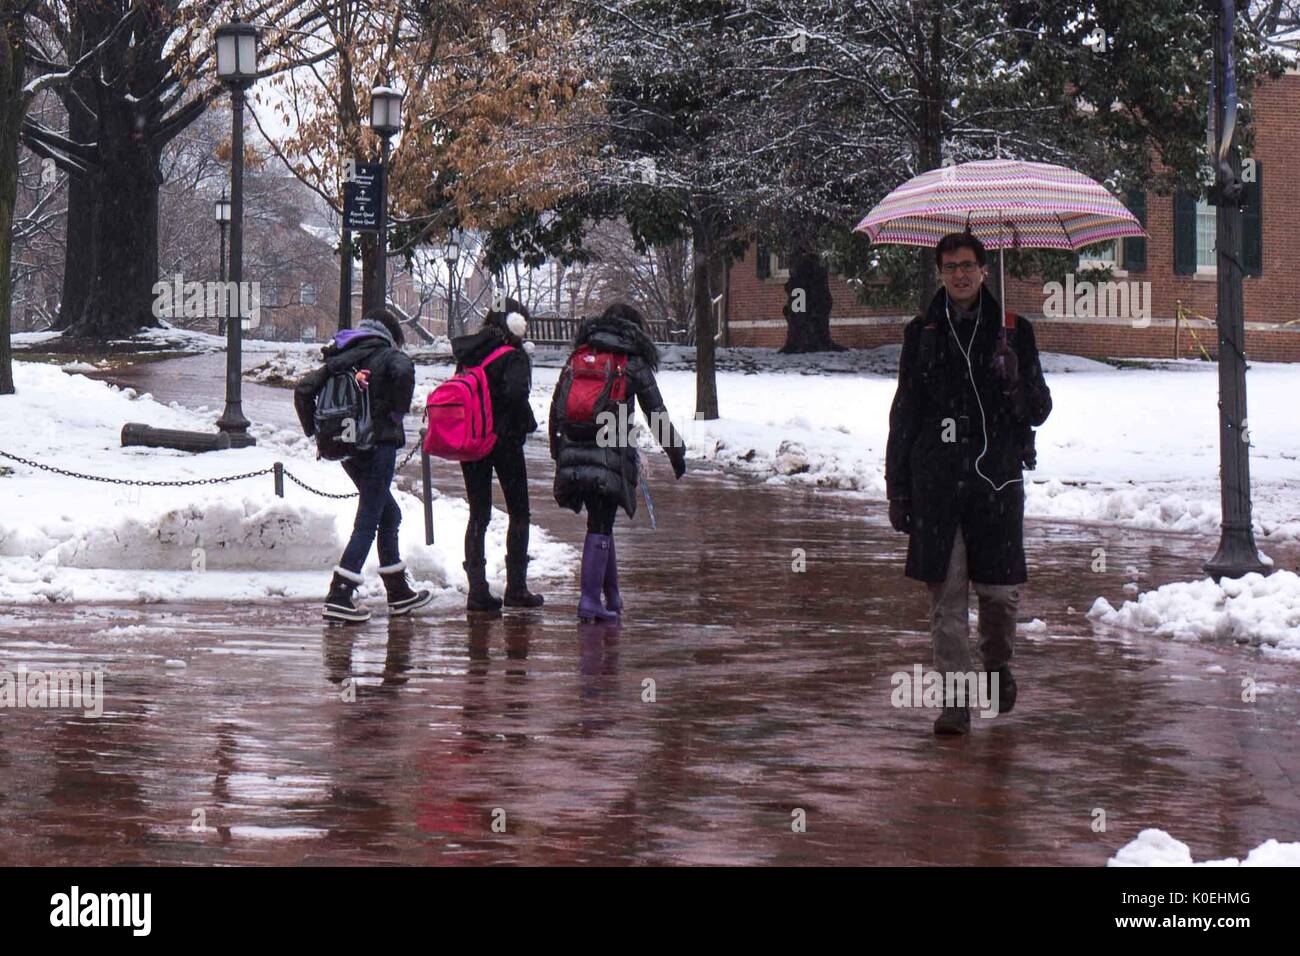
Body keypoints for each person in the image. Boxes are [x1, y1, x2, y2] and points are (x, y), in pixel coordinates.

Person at [885, 232, 1052, 735]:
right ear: (940, 273)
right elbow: (904, 416)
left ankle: (997, 665)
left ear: (984, 270)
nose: (960, 274)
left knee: (1000, 597)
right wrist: (899, 488)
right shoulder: (922, 333)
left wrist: (1016, 379)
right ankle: (955, 700)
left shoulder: (1014, 331)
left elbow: (1040, 410)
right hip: (937, 486)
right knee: (947, 599)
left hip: (996, 483)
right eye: (950, 266)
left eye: (969, 265)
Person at [550, 303, 687, 622]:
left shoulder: (579, 356)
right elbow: (656, 415)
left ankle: (610, 596)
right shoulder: (631, 361)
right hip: (609, 453)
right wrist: (676, 454)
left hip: (574, 449)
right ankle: (588, 600)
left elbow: (557, 407)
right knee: (600, 523)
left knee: (600, 522)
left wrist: (559, 452)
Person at [295, 307, 433, 623]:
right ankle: (340, 594)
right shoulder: (387, 354)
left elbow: (303, 390)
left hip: (346, 449)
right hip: (378, 447)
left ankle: (398, 593)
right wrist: (396, 415)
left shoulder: (342, 356)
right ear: (389, 334)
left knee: (389, 514)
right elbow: (404, 373)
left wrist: (314, 430)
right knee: (369, 518)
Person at [451, 298, 544, 612]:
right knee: (519, 513)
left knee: (478, 513)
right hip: (505, 442)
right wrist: (524, 421)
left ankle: (477, 589)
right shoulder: (513, 354)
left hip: (472, 440)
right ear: (515, 323)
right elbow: (516, 394)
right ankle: (516, 588)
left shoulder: (469, 351)